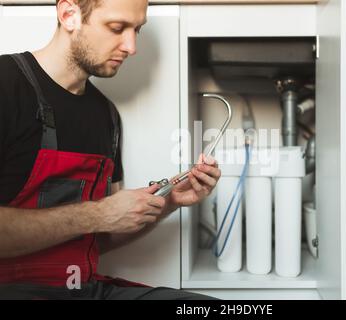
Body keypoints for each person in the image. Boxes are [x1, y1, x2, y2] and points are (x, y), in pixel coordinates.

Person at [0, 0, 221, 300]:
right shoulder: (6, 84)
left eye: (137, 31)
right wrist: (96, 213)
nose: (131, 47)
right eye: (117, 28)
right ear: (69, 15)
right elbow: (98, 217)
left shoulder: (106, 116)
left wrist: (168, 203)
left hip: (85, 289)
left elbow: (100, 235)